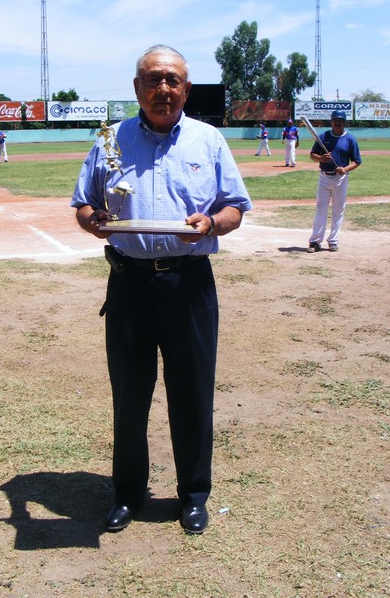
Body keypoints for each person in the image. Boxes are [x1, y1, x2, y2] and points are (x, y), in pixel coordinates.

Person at [71, 44, 253, 535]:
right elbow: (83, 204)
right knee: (130, 395)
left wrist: (211, 223)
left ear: (186, 89)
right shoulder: (110, 141)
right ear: (137, 88)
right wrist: (94, 221)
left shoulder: (209, 140)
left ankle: (193, 495)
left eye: (173, 80)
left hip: (188, 284)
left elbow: (235, 207)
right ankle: (127, 493)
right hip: (129, 284)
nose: (163, 89)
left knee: (192, 393)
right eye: (153, 79)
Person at [307, 110, 362, 253]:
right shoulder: (323, 137)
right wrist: (321, 158)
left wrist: (345, 169)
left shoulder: (350, 139)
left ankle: (333, 241)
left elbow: (357, 161)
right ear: (331, 122)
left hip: (340, 179)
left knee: (338, 210)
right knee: (321, 209)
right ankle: (315, 241)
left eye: (340, 121)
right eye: (335, 120)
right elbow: (312, 155)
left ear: (344, 123)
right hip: (324, 177)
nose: (338, 123)